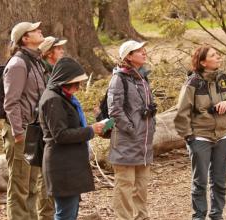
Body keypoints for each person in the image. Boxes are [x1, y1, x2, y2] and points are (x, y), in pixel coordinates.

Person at [174, 44, 226, 220]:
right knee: (200, 183)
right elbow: (182, 113)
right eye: (214, 55)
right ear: (203, 62)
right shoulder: (192, 83)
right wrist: (190, 138)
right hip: (200, 138)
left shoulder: (223, 78)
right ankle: (199, 217)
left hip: (223, 136)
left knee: (219, 182)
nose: (219, 57)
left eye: (218, 54)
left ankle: (217, 216)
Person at [39, 57, 105, 220]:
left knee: (70, 212)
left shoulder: (62, 97)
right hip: (62, 167)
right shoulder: (53, 100)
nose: (78, 87)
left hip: (69, 165)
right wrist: (90, 130)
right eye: (75, 83)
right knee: (65, 214)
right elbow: (60, 135)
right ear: (63, 81)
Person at [107, 40, 156, 220]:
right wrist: (132, 129)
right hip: (126, 142)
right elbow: (115, 110)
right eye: (139, 51)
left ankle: (141, 217)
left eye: (144, 50)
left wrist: (151, 126)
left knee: (141, 186)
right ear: (128, 56)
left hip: (144, 143)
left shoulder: (142, 77)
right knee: (125, 186)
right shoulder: (118, 78)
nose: (144, 53)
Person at [2, 21, 45, 219]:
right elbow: (11, 102)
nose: (40, 31)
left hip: (35, 130)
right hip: (21, 132)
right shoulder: (18, 63)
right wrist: (18, 132)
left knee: (32, 185)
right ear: (25, 39)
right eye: (34, 30)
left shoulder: (35, 61)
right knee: (19, 186)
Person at [36, 35, 68, 220]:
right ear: (48, 53)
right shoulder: (44, 74)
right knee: (44, 176)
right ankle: (46, 216)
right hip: (44, 130)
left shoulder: (56, 72)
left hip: (57, 128)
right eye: (58, 49)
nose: (62, 51)